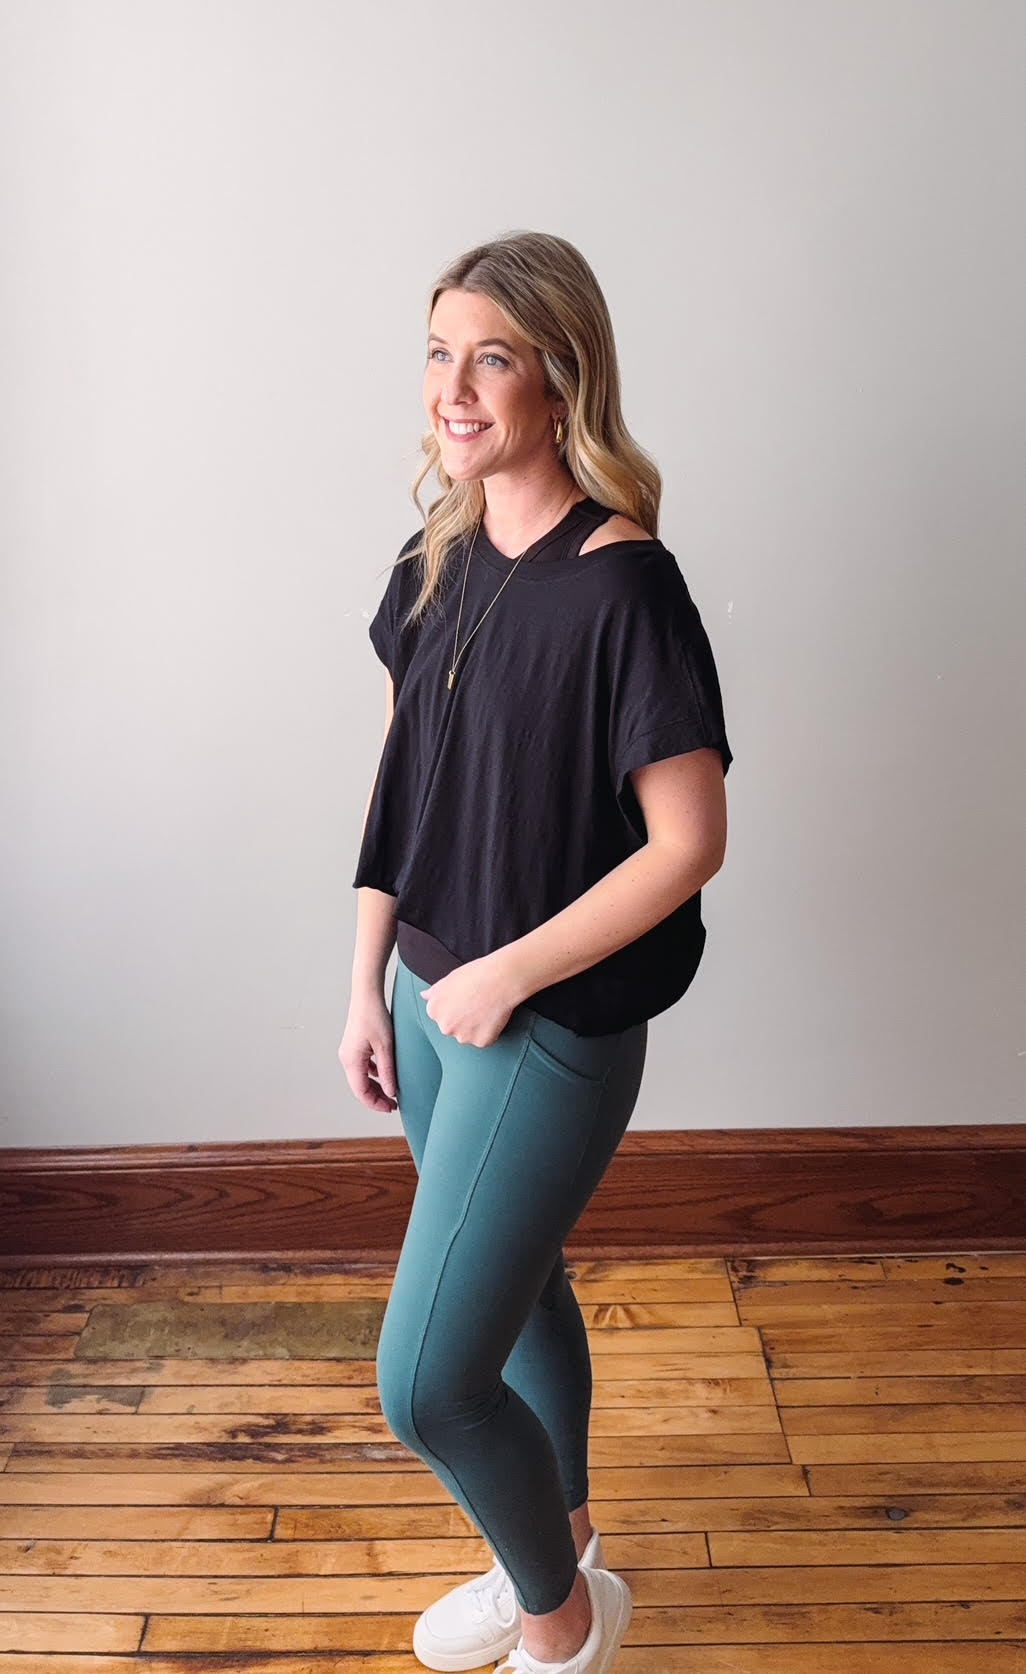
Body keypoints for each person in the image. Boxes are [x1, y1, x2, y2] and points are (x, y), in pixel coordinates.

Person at [340, 230, 732, 1674]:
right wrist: (366, 978)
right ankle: (552, 1544)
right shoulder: (432, 555)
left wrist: (506, 974)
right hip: (429, 994)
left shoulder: (624, 585)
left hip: (544, 1023)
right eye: (439, 351)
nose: (454, 385)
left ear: (559, 378)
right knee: (520, 1289)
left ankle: (566, 1630)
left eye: (489, 354)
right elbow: (403, 777)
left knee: (427, 1378)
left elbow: (687, 840)